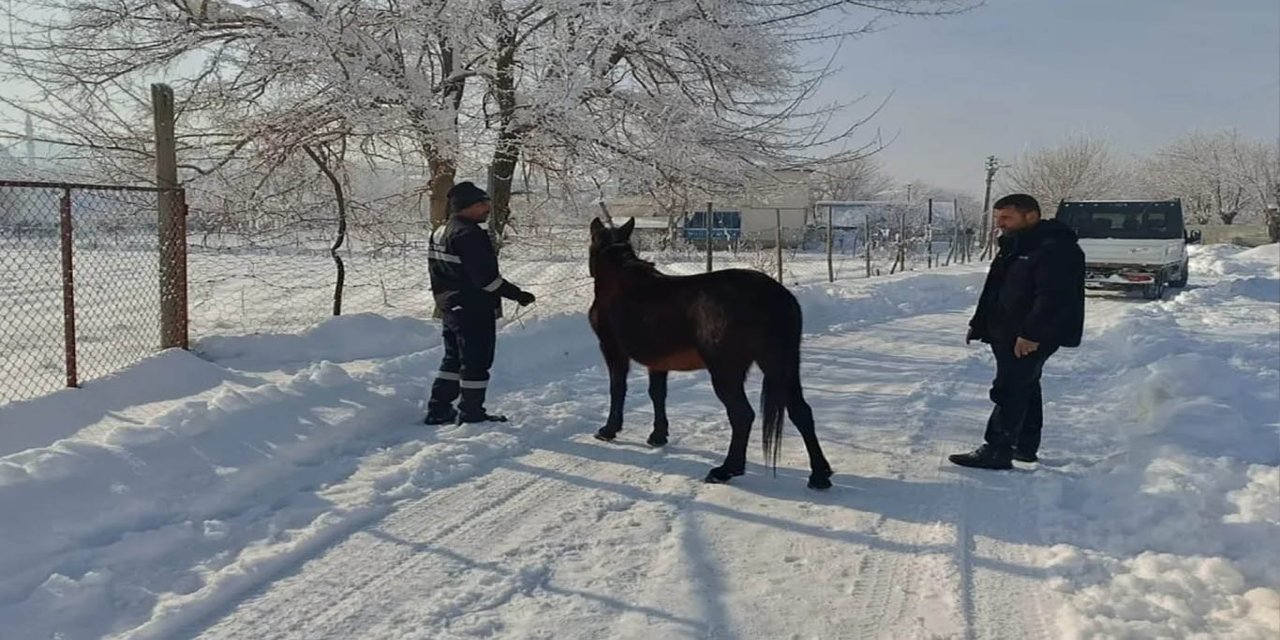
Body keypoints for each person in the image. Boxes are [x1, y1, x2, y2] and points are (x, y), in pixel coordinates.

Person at [950, 193, 1085, 470]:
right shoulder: (1015, 243)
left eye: (1006, 217)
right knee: (1026, 385)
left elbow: (1053, 297)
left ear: (1030, 215)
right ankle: (1024, 446)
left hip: (1030, 334)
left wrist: (1032, 334)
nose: (1000, 223)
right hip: (1007, 329)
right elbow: (995, 289)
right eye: (998, 217)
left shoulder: (1055, 247)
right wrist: (979, 323)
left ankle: (998, 449)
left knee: (1010, 387)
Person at [423, 181, 536, 425]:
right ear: (466, 207)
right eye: (481, 203)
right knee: (476, 361)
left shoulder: (441, 231)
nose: (487, 207)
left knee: (453, 359)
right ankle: (471, 413)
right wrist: (518, 295)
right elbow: (485, 279)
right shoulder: (469, 234)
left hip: (450, 307)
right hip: (473, 309)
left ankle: (439, 408)